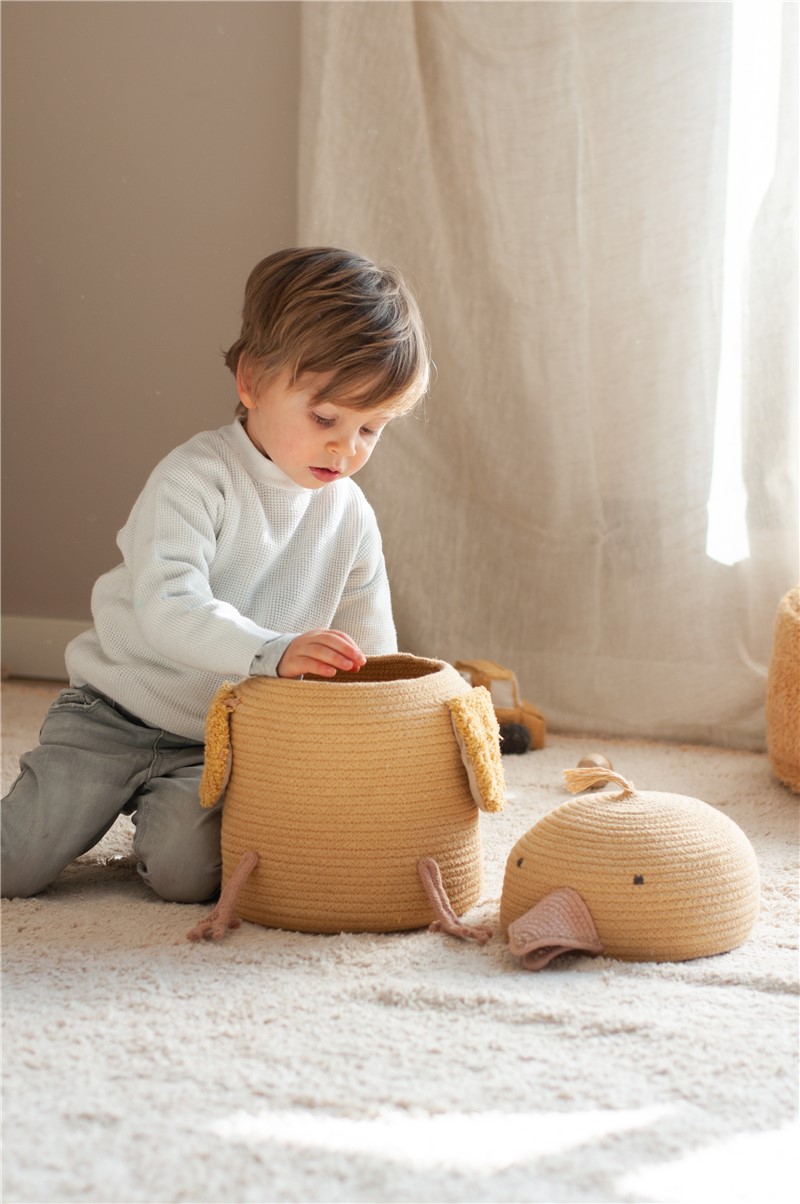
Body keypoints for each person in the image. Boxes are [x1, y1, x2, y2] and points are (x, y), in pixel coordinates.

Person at [1, 246, 430, 904]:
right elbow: (170, 608)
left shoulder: (350, 516)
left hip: (218, 740)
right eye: (325, 418)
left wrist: (395, 736)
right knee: (14, 865)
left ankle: (155, 816)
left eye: (371, 428)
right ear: (251, 380)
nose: (347, 448)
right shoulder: (194, 479)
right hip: (112, 714)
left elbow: (368, 652)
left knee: (189, 877)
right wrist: (273, 650)